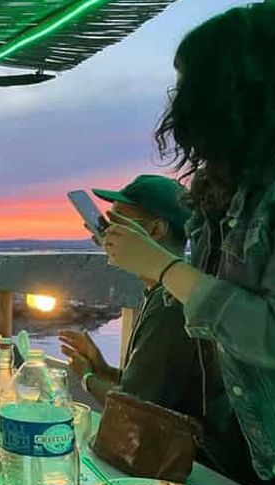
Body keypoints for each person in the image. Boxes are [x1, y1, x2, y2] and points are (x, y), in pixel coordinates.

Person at [103, 3, 275, 485]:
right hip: (224, 451)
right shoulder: (224, 187)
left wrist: (162, 266)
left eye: (188, 84)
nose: (177, 103)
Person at [58, 176, 202, 417]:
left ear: (155, 230)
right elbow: (149, 389)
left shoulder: (170, 303)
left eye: (117, 223)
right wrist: (101, 368)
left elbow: (133, 408)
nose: (108, 233)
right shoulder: (164, 291)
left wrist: (87, 377)